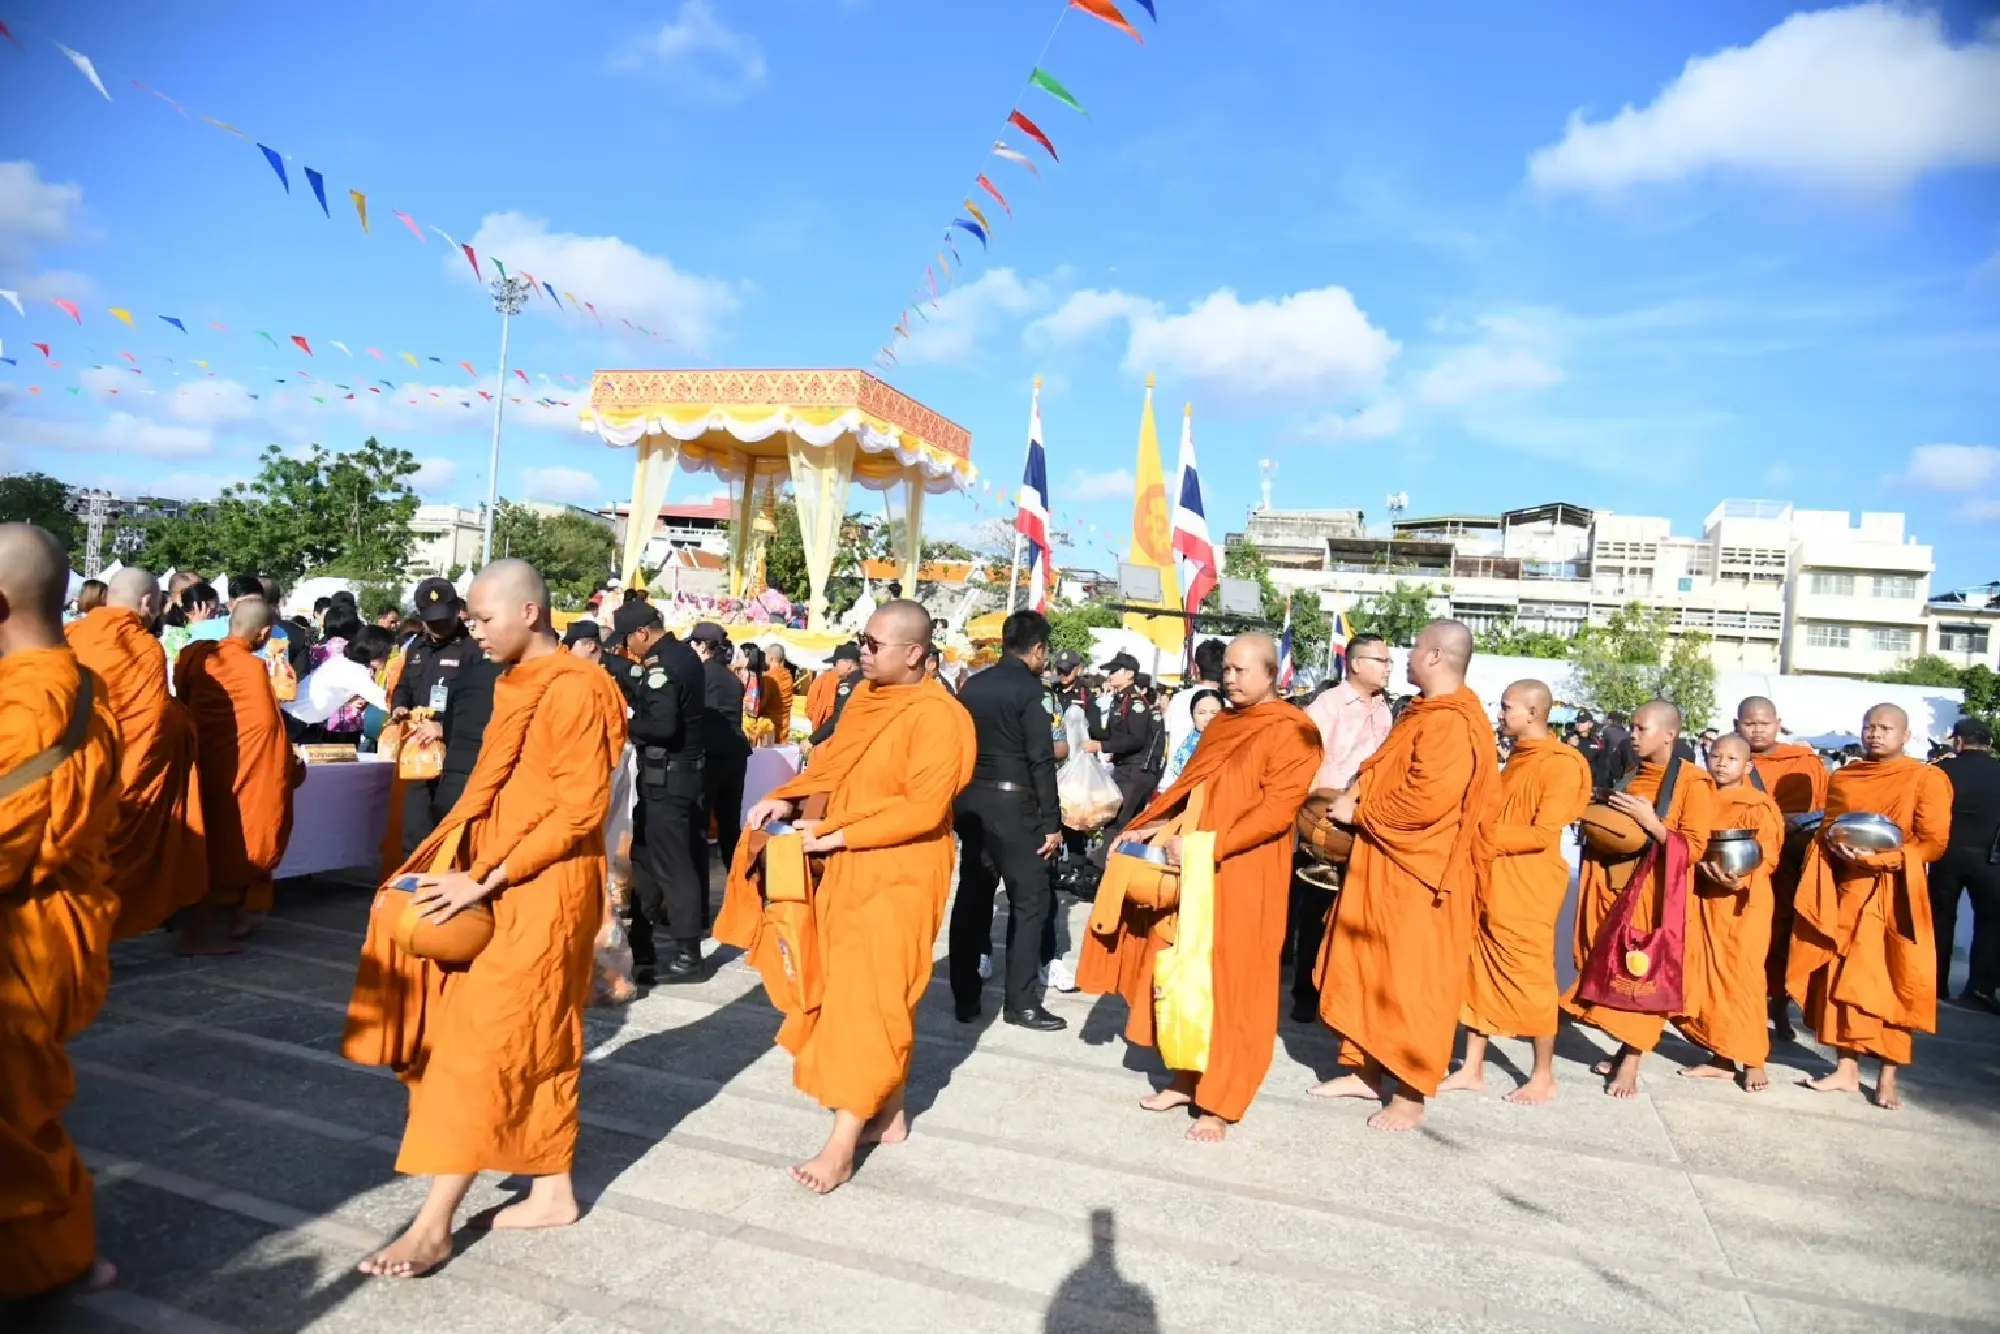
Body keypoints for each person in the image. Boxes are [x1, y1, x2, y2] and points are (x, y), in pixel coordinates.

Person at [343, 559, 628, 1278]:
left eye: (482, 618)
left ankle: (433, 1225)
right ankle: (554, 1188)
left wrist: (484, 878)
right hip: (497, 875)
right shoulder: (513, 681)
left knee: (481, 1045)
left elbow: (577, 809)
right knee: (535, 1037)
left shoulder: (579, 688)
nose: (472, 630)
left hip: (544, 887)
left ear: (530, 613)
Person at [720, 600, 975, 1193]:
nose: (862, 650)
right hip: (843, 862)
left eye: (874, 643)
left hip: (899, 871)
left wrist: (836, 833)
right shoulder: (866, 698)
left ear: (914, 654)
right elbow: (832, 762)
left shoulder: (942, 717)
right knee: (853, 992)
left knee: (871, 998)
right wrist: (789, 796)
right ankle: (889, 1114)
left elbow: (922, 807)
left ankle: (840, 1144)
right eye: (861, 638)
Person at [1078, 633, 1320, 1142]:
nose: (1229, 679)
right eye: (1226, 670)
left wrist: (1206, 846)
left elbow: (1277, 812)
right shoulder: (1227, 724)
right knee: (1185, 972)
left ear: (1271, 673)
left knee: (1235, 984)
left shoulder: (1295, 730)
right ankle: (1185, 1078)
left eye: (1240, 671)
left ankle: (1221, 1101)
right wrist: (1156, 825)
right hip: (1192, 866)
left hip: (1246, 873)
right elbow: (1194, 786)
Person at [1309, 620, 1501, 1132]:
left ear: (1436, 656)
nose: (1406, 660)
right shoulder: (1422, 710)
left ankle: (1410, 1094)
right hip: (1386, 867)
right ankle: (1366, 1071)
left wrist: (1359, 812)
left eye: (1413, 649)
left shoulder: (1454, 721)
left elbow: (1428, 797)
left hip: (1422, 876)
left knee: (1411, 985)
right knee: (1369, 971)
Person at [0, 524, 123, 1302]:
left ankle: (51, 1260)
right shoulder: (82, 682)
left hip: (24, 929)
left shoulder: (33, 702)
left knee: (14, 1117)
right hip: (55, 925)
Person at [1788, 704, 1952, 1111]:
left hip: (1896, 894)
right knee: (1841, 979)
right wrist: (1834, 848)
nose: (1875, 734)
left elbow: (1933, 842)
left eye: (1885, 728)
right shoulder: (1845, 776)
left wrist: (1880, 860)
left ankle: (1887, 1076)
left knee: (1892, 982)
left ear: (1905, 735)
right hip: (1848, 891)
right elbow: (1830, 829)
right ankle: (1845, 1069)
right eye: (1869, 727)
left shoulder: (1926, 778)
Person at [1437, 679, 1593, 1105]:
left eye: (1507, 707)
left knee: (1533, 979)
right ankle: (1472, 1068)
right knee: (1478, 970)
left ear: (1532, 713)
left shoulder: (1562, 763)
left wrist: (1479, 836)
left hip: (1529, 885)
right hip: (1493, 878)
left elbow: (1543, 832)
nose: (1501, 713)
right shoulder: (1517, 758)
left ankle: (1543, 1075)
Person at [1561, 700, 1715, 1099]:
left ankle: (1631, 1060)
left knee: (1642, 974)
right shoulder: (1631, 774)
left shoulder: (1693, 783)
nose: (1633, 734)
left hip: (1654, 895)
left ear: (1669, 734)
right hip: (1613, 886)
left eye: (1641, 728)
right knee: (1613, 972)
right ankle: (1621, 1049)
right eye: (1632, 726)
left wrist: (1651, 823)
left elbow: (1694, 848)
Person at [63, 566, 209, 938]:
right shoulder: (142, 646)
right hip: (124, 772)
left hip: (73, 772)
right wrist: (185, 723)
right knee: (116, 854)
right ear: (148, 602)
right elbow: (153, 723)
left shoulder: (70, 634)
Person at [949, 610, 1066, 1029]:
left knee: (973, 898)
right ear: (1036, 649)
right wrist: (1052, 822)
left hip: (971, 804)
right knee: (1031, 901)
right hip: (1016, 808)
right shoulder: (1032, 692)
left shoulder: (972, 686)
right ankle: (1021, 1003)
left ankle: (964, 997)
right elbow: (1041, 759)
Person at [174, 598, 303, 955]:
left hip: (200, 764)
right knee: (237, 842)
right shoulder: (250, 668)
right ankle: (201, 933)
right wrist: (288, 766)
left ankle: (213, 924)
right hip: (237, 772)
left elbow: (182, 701)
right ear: (263, 634)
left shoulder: (196, 657)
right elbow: (265, 729)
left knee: (204, 841)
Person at [1288, 632, 1394, 1021]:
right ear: (1356, 663)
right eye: (1381, 661)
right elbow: (1304, 758)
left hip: (1365, 820)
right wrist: (1313, 812)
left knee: (1354, 911)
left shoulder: (1385, 708)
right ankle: (1304, 991)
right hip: (1325, 821)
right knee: (1315, 906)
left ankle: (1340, 987)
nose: (1387, 669)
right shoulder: (1327, 706)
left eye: (1388, 662)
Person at [609, 601, 709, 984]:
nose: (628, 649)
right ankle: (642, 946)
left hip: (670, 778)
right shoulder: (680, 655)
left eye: (628, 641)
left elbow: (662, 725)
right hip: (669, 779)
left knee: (672, 864)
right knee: (646, 862)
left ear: (642, 633)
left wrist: (624, 726)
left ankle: (689, 955)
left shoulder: (663, 665)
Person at [1678, 733, 1782, 1092]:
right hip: (1704, 896)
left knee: (1744, 977)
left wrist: (1739, 880)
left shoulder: (1758, 804)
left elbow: (1768, 854)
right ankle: (1721, 1057)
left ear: (1748, 767)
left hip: (1743, 902)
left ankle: (1754, 1058)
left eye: (1731, 759)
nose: (1721, 763)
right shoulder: (1698, 796)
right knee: (1707, 977)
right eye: (1716, 756)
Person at [1733, 695, 1830, 1040]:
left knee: (1786, 937)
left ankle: (1779, 1006)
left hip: (1792, 861)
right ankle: (1742, 1007)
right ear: (1737, 725)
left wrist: (1791, 821)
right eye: (1749, 723)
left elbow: (1825, 810)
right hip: (1746, 861)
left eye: (1763, 723)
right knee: (1746, 937)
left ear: (1777, 723)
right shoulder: (1731, 758)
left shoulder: (1804, 761)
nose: (1757, 730)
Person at [391, 578, 480, 850]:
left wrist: (445, 728)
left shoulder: (473, 650)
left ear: (456, 611)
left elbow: (478, 706)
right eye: (431, 621)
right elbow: (404, 686)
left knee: (450, 832)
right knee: (415, 828)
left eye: (443, 619)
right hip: (420, 752)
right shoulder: (416, 649)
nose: (438, 626)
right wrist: (399, 705)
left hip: (455, 753)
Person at [1931, 716, 1999, 1011]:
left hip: (1945, 854)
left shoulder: (1940, 771)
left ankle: (1934, 984)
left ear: (1958, 741)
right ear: (1990, 744)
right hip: (1991, 858)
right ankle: (1980, 989)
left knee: (1939, 919)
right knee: (1991, 923)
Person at [689, 621, 750, 884]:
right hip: (735, 754)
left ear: (702, 646)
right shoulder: (733, 679)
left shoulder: (700, 674)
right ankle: (741, 885)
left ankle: (699, 902)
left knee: (699, 827)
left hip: (710, 754)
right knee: (729, 826)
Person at [1089, 652, 1157, 856]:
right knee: (1121, 822)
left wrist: (1102, 746)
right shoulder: (1120, 699)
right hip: (1124, 768)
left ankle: (1099, 871)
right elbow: (1110, 732)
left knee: (1116, 821)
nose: (1109, 675)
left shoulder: (1135, 702)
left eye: (1114, 671)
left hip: (1134, 771)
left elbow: (1135, 739)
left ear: (1129, 674)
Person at [1163, 638, 1226, 761]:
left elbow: (1166, 737)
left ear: (1196, 668)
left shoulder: (1178, 699)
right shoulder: (1230, 707)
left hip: (1175, 776)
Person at [1158, 689, 1223, 792]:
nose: (1208, 718)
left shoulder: (1231, 741)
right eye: (1201, 713)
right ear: (1192, 715)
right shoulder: (1186, 749)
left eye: (1214, 713)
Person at [806, 643, 858, 733]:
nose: (835, 667)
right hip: (822, 732)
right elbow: (810, 709)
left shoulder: (859, 683)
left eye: (837, 663)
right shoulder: (822, 680)